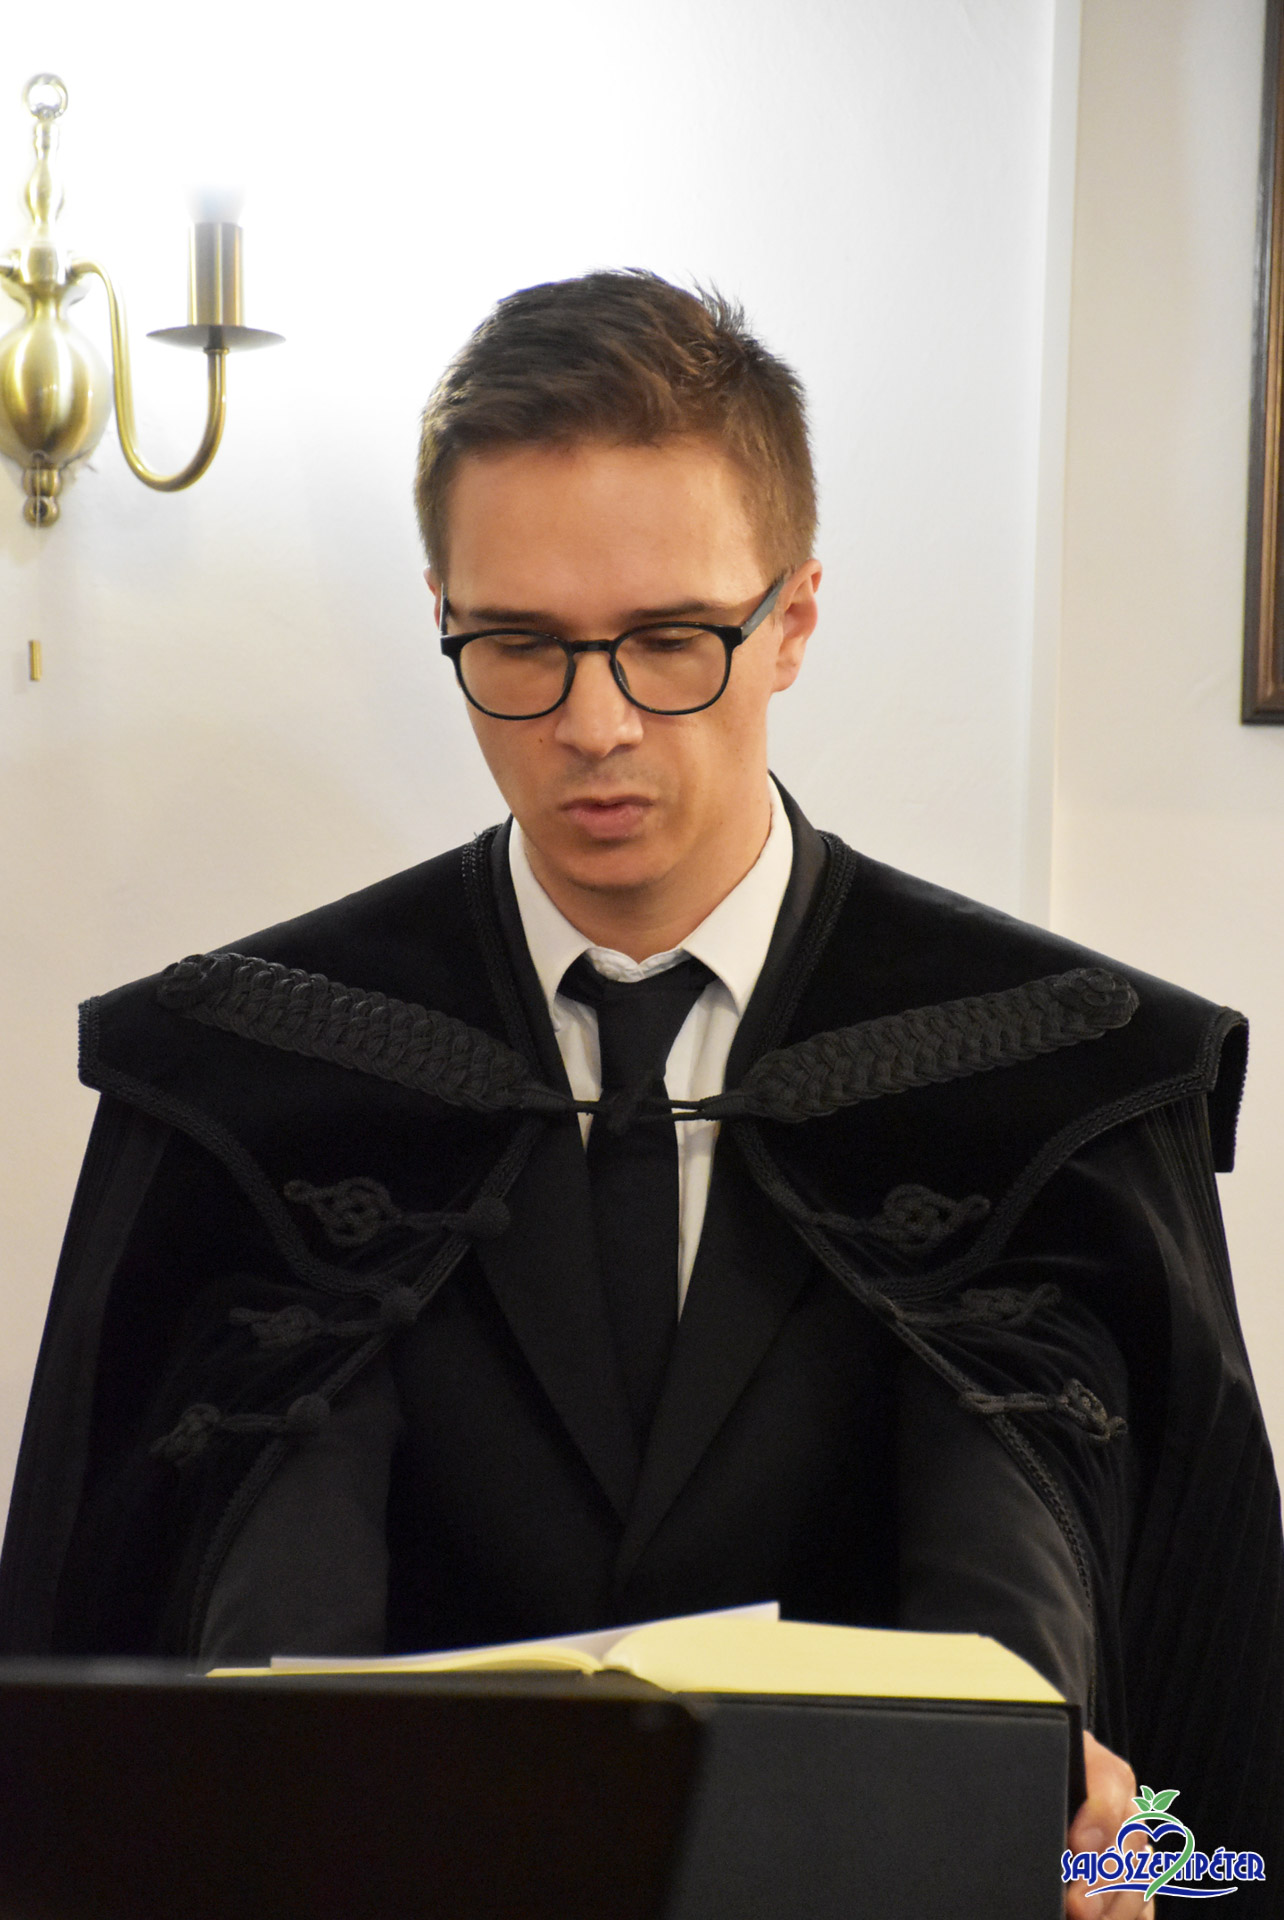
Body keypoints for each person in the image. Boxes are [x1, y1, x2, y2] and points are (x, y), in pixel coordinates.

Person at [1, 272, 1279, 1915]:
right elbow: (94, 1687)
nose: (594, 726)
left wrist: (1138, 1868)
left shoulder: (1058, 1078)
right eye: (518, 646)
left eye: (671, 642)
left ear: (793, 621)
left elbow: (1212, 1765)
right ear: (443, 618)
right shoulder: (246, 1078)